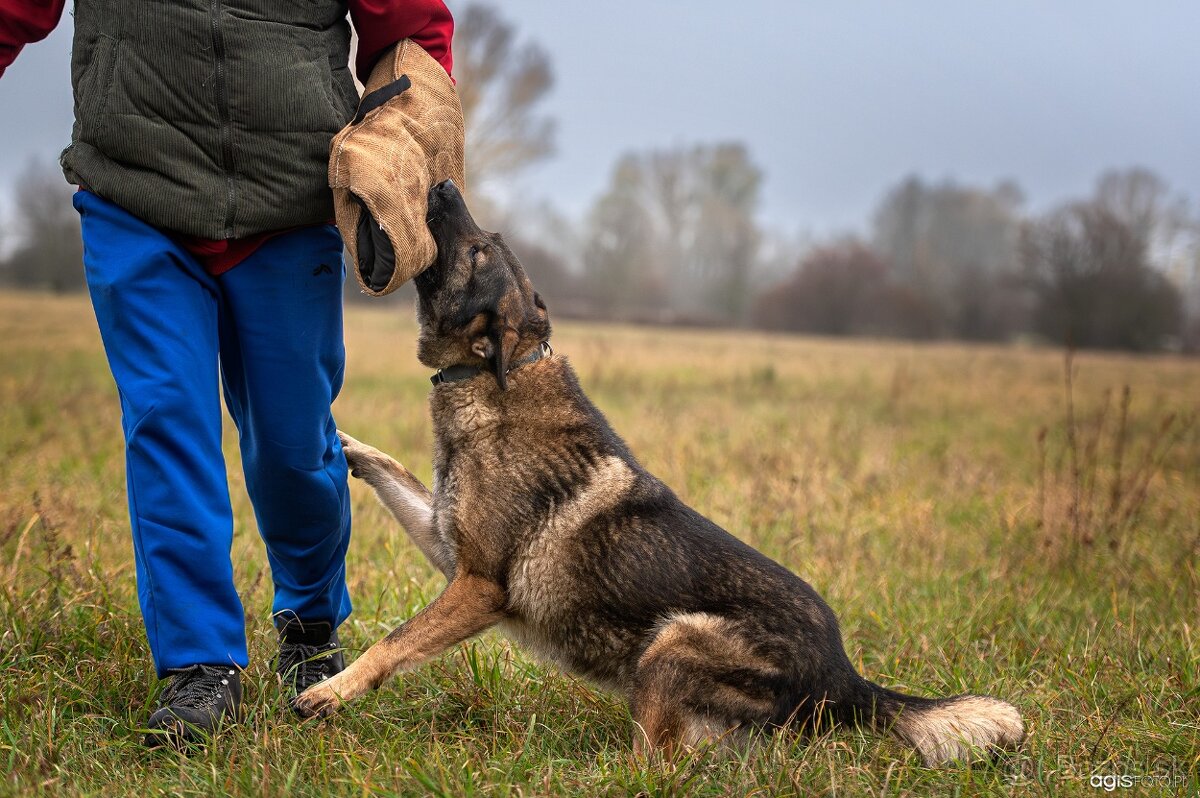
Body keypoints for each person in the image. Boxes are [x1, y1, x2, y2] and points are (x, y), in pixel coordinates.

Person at [0, 0, 454, 744]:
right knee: (167, 421)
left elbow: (409, 29)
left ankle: (309, 625)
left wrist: (414, 138)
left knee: (292, 443)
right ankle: (199, 667)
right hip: (135, 192)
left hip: (292, 199)